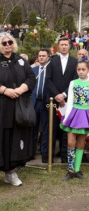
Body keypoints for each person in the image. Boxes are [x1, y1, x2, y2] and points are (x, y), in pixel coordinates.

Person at [0, 33, 36, 186]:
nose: (7, 45)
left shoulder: (21, 60)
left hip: (18, 108)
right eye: (4, 42)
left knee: (14, 139)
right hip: (2, 107)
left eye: (10, 42)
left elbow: (31, 78)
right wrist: (4, 90)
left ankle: (11, 173)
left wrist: (21, 89)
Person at [60, 60, 89, 181]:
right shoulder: (73, 83)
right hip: (74, 114)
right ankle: (70, 169)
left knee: (81, 143)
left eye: (83, 69)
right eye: (79, 69)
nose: (81, 71)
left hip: (86, 115)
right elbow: (70, 101)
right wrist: (67, 117)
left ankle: (77, 169)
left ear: (88, 70)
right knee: (70, 143)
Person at [45, 37, 78, 163]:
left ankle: (65, 158)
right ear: (58, 46)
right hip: (53, 101)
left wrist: (64, 95)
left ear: (69, 46)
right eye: (61, 45)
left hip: (68, 102)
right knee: (51, 130)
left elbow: (74, 81)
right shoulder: (52, 61)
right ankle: (49, 157)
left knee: (66, 131)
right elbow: (48, 80)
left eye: (66, 44)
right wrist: (57, 96)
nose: (64, 47)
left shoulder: (74, 62)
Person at [30, 49, 50, 163]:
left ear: (48, 57)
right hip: (34, 102)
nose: (41, 57)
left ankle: (44, 153)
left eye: (43, 56)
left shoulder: (50, 70)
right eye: (40, 56)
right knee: (33, 128)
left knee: (45, 129)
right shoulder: (34, 70)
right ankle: (31, 152)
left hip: (45, 103)